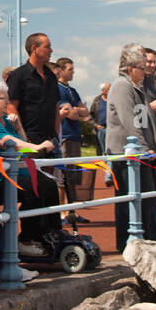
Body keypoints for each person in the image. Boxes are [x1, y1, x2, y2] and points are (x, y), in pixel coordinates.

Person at [6, 34, 63, 259]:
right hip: (28, 143)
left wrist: (55, 138)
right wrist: (25, 140)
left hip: (48, 143)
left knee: (49, 188)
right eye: (47, 46)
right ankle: (27, 238)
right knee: (34, 189)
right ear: (33, 48)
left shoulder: (50, 76)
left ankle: (49, 233)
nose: (51, 50)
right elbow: (11, 107)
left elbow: (56, 108)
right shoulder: (19, 76)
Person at [106, 44, 156, 248]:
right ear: (130, 69)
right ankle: (128, 244)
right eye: (142, 67)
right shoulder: (122, 86)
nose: (147, 71)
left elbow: (147, 121)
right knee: (128, 199)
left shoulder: (138, 88)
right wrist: (142, 146)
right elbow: (129, 120)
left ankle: (150, 236)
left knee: (147, 198)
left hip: (142, 153)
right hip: (126, 153)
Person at [56, 57, 89, 221]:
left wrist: (78, 110)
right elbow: (71, 114)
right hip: (66, 136)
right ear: (61, 71)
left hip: (75, 136)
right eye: (70, 69)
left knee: (73, 175)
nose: (73, 72)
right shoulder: (58, 89)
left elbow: (84, 112)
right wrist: (77, 111)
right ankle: (62, 211)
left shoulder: (73, 90)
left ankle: (71, 210)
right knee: (63, 176)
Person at [90, 82, 110, 154]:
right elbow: (91, 116)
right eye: (108, 89)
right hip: (100, 129)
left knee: (109, 150)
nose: (109, 91)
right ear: (103, 90)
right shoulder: (97, 100)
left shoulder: (113, 99)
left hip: (111, 129)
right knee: (99, 150)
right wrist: (96, 125)